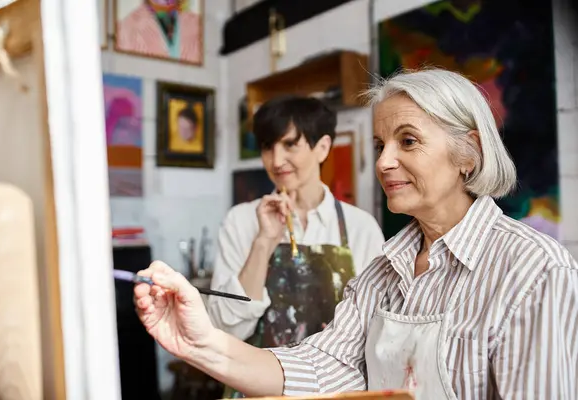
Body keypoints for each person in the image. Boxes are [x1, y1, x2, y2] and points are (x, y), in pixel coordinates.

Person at [133, 68, 578, 399]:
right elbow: (321, 364)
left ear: (469, 152)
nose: (384, 163)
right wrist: (199, 342)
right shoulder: (382, 273)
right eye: (381, 145)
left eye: (408, 141)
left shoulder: (533, 271)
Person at [207, 95, 385, 397]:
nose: (276, 161)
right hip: (256, 391)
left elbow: (377, 330)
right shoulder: (240, 221)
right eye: (267, 146)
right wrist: (264, 242)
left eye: (290, 145)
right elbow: (226, 330)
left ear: (323, 147)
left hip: (336, 392)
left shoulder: (360, 227)